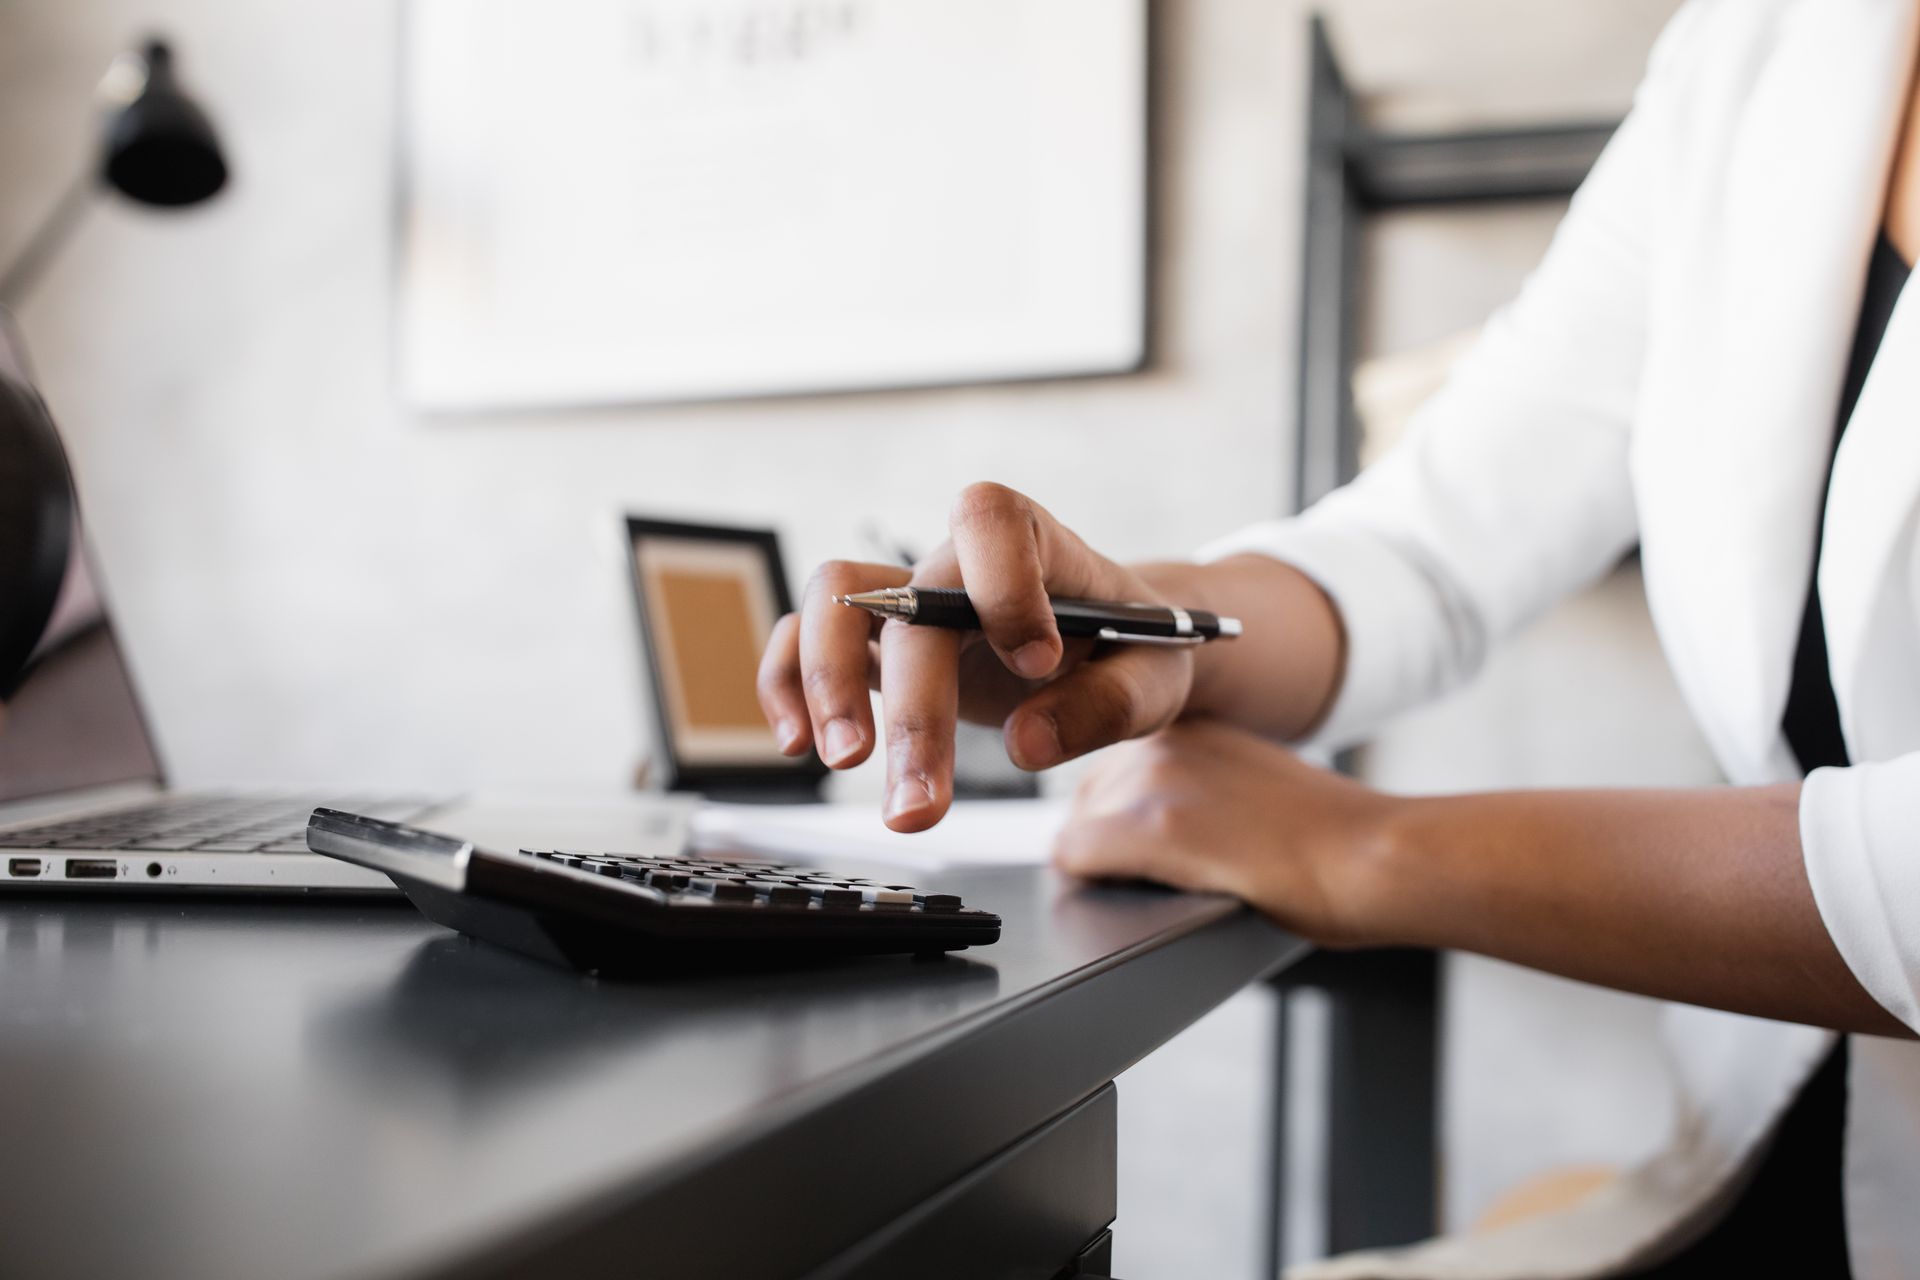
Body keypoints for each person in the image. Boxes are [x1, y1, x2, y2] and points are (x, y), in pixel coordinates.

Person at [761, 1, 1920, 1275]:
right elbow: (1431, 544)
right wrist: (1131, 624)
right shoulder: (1763, 46)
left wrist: (1367, 847)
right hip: (1785, 1154)